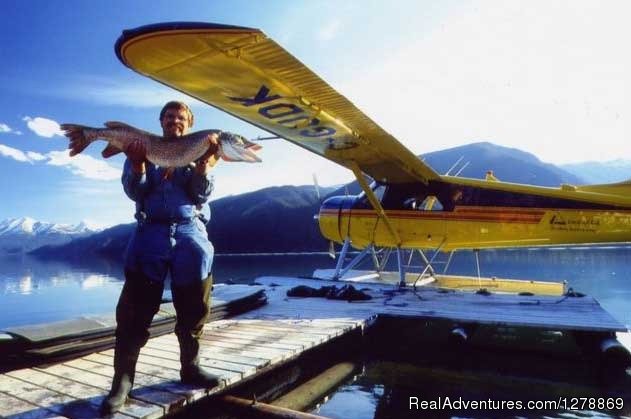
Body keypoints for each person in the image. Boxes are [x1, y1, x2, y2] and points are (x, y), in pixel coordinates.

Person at [101, 101, 221, 414]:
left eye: (181, 117)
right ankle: (122, 382)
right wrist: (139, 164)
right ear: (161, 121)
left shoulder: (201, 149)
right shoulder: (143, 146)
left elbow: (200, 195)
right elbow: (134, 191)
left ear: (190, 124)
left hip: (190, 234)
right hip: (149, 234)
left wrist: (204, 168)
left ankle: (190, 368)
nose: (174, 121)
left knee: (195, 307)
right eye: (169, 116)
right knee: (133, 312)